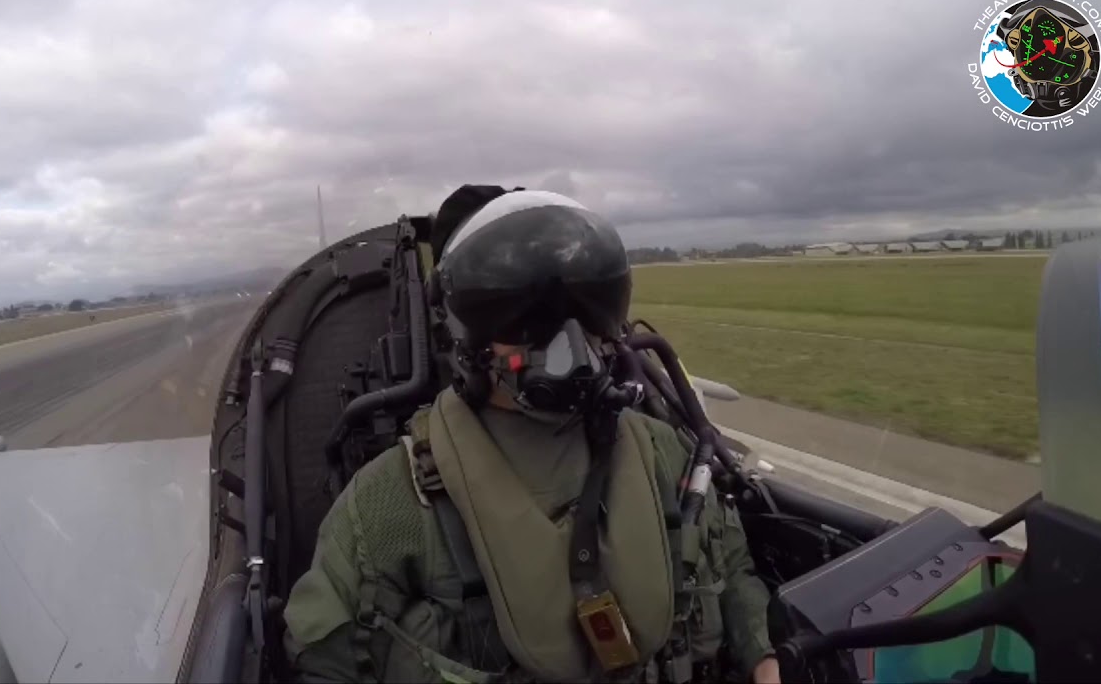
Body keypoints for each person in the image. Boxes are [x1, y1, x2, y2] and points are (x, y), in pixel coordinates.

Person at [283, 189, 780, 684]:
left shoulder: (662, 451)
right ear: (465, 338)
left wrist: (764, 658)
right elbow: (326, 661)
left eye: (586, 312)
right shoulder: (391, 504)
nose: (568, 341)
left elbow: (731, 569)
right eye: (525, 319)